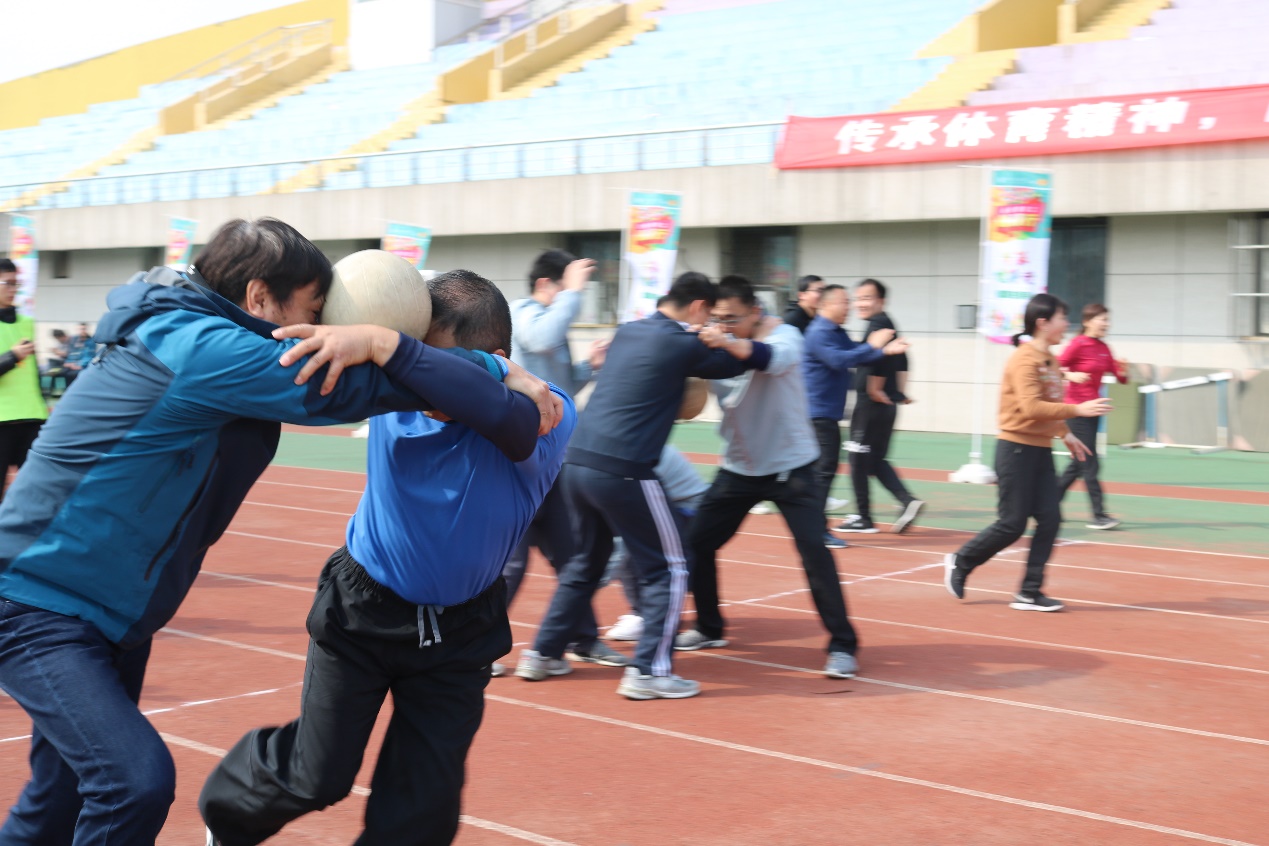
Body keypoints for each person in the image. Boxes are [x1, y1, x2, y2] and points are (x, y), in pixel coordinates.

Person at [0, 218, 559, 846]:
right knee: (132, 782)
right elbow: (341, 387)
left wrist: (432, 357)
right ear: (260, 297)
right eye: (315, 311)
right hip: (39, 600)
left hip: (105, 610)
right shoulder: (203, 348)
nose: (325, 328)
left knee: (57, 800)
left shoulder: (192, 332)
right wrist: (487, 368)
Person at [201, 270, 575, 846]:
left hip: (462, 634)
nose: (419, 379)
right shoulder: (392, 388)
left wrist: (401, 350)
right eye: (414, 357)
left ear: (494, 362)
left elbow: (508, 421)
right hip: (361, 612)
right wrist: (381, 342)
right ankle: (226, 817)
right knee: (315, 777)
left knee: (422, 814)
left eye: (434, 364)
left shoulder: (547, 410)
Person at [516, 271, 771, 700]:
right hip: (624, 469)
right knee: (671, 566)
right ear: (698, 307)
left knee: (584, 565)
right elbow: (739, 362)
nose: (710, 322)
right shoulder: (681, 342)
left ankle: (542, 653)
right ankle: (650, 671)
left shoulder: (630, 331)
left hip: (576, 463)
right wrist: (728, 339)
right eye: (710, 315)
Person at [675, 276, 865, 679]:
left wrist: (724, 340)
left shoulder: (786, 336)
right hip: (740, 468)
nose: (724, 325)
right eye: (718, 318)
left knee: (814, 552)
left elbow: (769, 359)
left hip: (792, 468)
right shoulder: (712, 341)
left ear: (755, 312)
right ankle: (709, 627)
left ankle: (842, 644)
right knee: (698, 542)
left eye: (732, 318)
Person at [943, 294, 1111, 612]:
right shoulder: (1024, 359)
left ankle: (1029, 592)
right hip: (1015, 450)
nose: (1067, 324)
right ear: (1043, 323)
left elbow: (1049, 404)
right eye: (1062, 318)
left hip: (1040, 451)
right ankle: (961, 561)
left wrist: (1066, 434)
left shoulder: (1050, 360)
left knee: (1050, 518)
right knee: (1012, 523)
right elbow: (1031, 407)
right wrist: (1078, 409)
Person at [497, 249, 622, 676]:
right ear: (545, 284)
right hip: (519, 465)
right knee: (510, 564)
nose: (574, 296)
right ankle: (474, 648)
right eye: (565, 286)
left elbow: (559, 385)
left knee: (573, 558)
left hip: (553, 464)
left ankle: (584, 638)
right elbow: (540, 339)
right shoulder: (522, 314)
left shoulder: (549, 320)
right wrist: (573, 291)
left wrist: (591, 366)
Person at [803, 284, 906, 548]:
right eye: (843, 302)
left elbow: (858, 355)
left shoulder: (837, 332)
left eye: (849, 302)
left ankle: (812, 526)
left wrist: (884, 351)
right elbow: (840, 360)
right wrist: (873, 345)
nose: (849, 307)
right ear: (826, 305)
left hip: (827, 415)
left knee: (822, 470)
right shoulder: (819, 333)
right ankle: (816, 530)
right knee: (823, 471)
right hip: (817, 414)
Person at [838, 279, 925, 534]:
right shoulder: (887, 324)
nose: (860, 303)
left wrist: (876, 389)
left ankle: (863, 517)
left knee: (856, 460)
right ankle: (907, 501)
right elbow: (904, 358)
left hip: (871, 406)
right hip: (884, 404)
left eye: (867, 298)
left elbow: (877, 361)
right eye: (858, 298)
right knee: (875, 460)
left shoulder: (877, 325)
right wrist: (899, 391)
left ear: (881, 301)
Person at [604, 443, 708, 642]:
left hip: (688, 507)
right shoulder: (622, 448)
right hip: (666, 501)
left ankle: (650, 616)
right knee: (627, 546)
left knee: (641, 554)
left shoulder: (637, 453)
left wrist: (591, 581)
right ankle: (645, 611)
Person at [1057, 303, 1127, 530]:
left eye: (1108, 320)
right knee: (1090, 462)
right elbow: (1054, 367)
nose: (1107, 324)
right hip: (1076, 410)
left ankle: (1048, 502)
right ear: (1087, 321)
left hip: (1094, 410)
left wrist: (1123, 371)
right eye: (1102, 319)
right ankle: (1099, 515)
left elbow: (1120, 378)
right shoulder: (1078, 344)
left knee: (1078, 463)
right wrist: (1071, 375)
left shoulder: (1104, 348)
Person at [0, 258, 48, 503]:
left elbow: (32, 372)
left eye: (16, 284)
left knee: (38, 492)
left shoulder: (27, 322)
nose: (13, 289)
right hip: (2, 420)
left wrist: (43, 405)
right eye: (7, 283)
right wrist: (12, 357)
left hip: (32, 417)